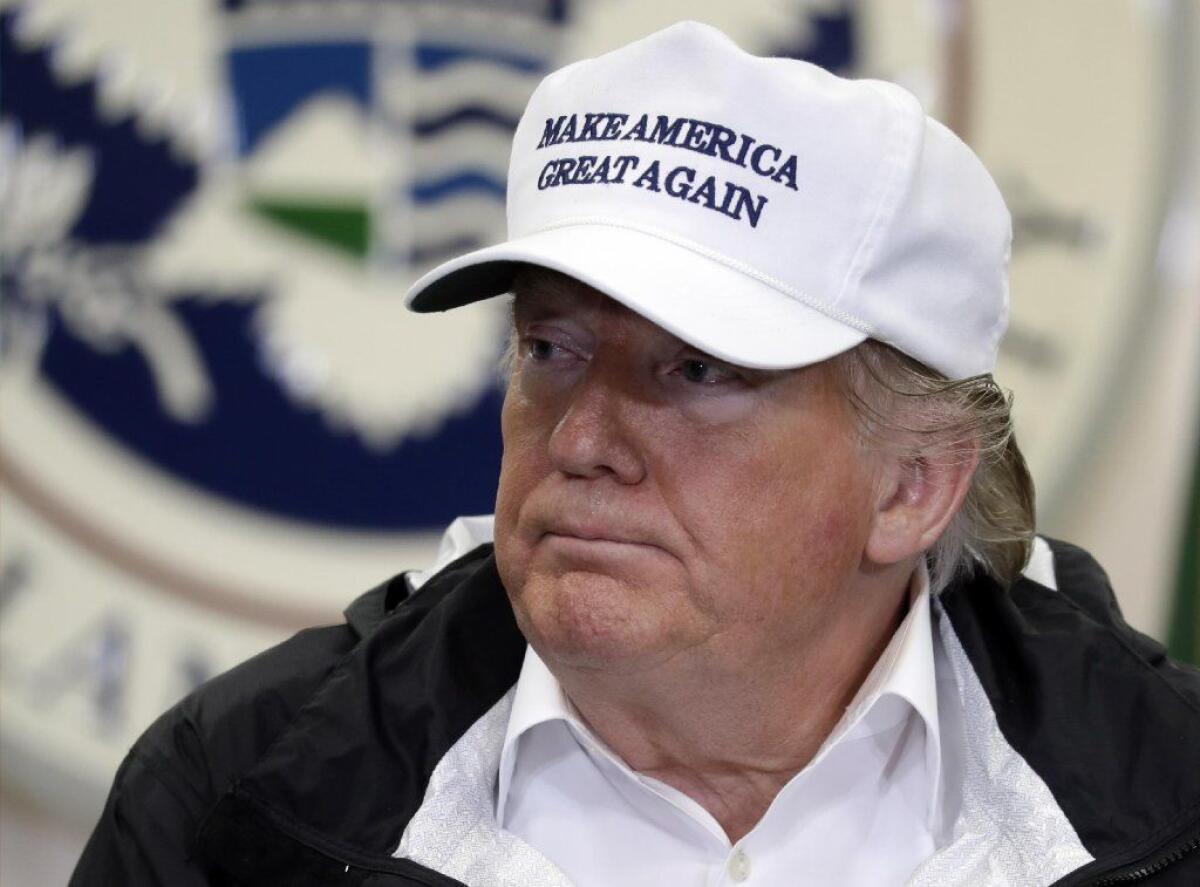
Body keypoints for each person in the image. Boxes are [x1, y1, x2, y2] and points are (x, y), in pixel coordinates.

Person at [71, 21, 1200, 887]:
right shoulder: (235, 799)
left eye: (698, 371)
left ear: (911, 484)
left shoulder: (1169, 800)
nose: (580, 439)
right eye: (550, 347)